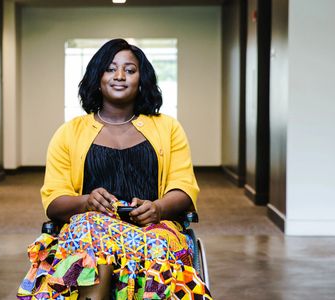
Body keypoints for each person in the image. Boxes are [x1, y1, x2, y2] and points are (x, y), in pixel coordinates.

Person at [18, 38, 212, 300]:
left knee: (149, 241)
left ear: (141, 80)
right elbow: (54, 202)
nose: (120, 76)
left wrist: (158, 208)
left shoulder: (168, 128)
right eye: (110, 69)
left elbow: (184, 188)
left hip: (154, 229)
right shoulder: (69, 133)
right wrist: (86, 202)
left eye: (130, 70)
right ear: (97, 78)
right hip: (90, 230)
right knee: (88, 227)